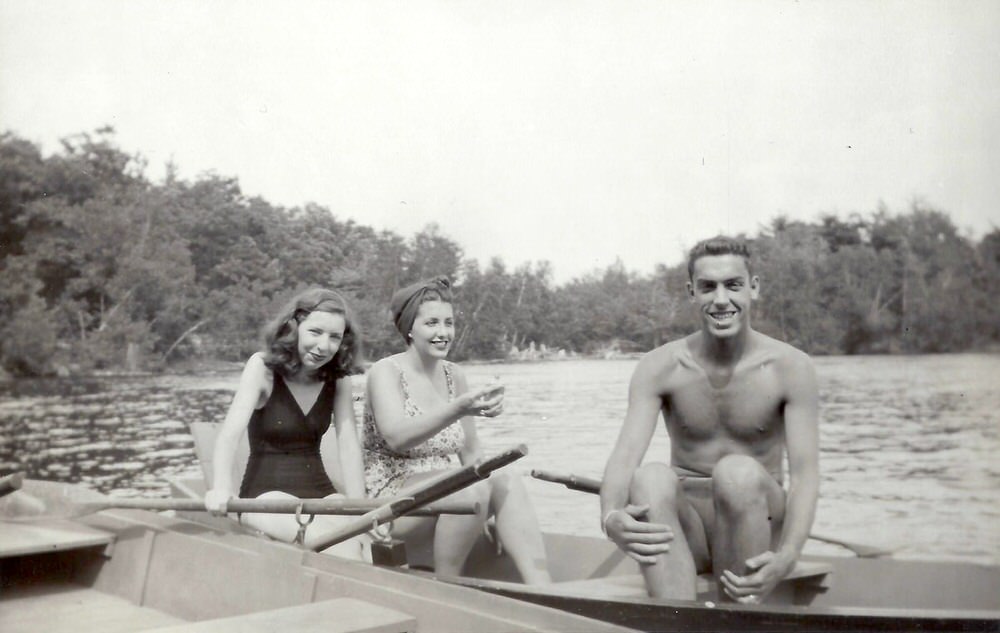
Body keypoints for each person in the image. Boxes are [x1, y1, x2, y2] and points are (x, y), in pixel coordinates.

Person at [600, 236, 820, 603]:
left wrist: (789, 554)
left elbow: (805, 476)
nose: (720, 300)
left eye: (733, 285)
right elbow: (625, 458)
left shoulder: (791, 367)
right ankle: (676, 620)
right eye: (707, 287)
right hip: (690, 533)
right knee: (649, 477)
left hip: (759, 524)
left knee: (737, 473)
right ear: (691, 292)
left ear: (753, 288)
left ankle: (738, 619)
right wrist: (610, 518)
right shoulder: (660, 367)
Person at [363, 275, 552, 583]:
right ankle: (448, 583)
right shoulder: (385, 371)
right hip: (389, 505)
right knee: (471, 486)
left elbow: (473, 453)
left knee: (504, 478)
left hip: (446, 496)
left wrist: (494, 509)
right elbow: (397, 437)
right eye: (432, 323)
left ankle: (544, 590)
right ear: (409, 328)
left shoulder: (455, 375)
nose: (443, 333)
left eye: (449, 323)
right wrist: (458, 408)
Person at [204, 288, 367, 558]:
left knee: (367, 543)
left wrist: (362, 512)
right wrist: (221, 489)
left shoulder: (338, 378)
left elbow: (349, 446)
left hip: (321, 492)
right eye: (315, 332)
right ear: (294, 328)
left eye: (334, 337)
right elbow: (229, 436)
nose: (324, 346)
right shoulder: (263, 368)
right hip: (266, 497)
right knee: (343, 548)